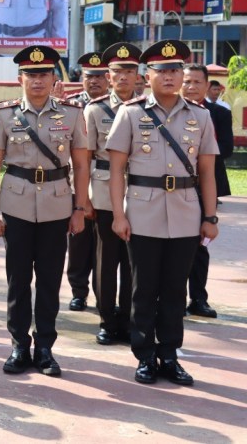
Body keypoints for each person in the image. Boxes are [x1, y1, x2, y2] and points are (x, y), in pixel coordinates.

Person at [106, 39, 218, 387]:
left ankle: (169, 355)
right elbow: (116, 170)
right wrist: (118, 214)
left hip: (185, 213)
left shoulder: (200, 116)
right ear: (148, 75)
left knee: (174, 290)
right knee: (143, 289)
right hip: (142, 212)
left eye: (175, 70)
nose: (169, 77)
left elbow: (207, 172)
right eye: (161, 70)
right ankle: (144, 356)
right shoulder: (131, 113)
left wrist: (210, 217)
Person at [0, 45, 89, 376]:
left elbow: (81, 166)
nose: (37, 80)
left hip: (57, 206)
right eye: (31, 75)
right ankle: (18, 345)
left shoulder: (72, 114)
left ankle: (44, 347)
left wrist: (80, 208)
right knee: (18, 280)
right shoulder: (3, 114)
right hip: (16, 205)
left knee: (49, 280)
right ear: (20, 79)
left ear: (54, 78)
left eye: (43, 74)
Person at [84, 42, 141, 345]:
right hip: (104, 191)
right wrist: (83, 198)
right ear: (108, 76)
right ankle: (107, 319)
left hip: (141, 191)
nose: (123, 76)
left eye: (129, 70)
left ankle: (130, 319)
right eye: (118, 71)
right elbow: (83, 158)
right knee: (106, 261)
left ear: (138, 75)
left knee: (134, 261)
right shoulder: (95, 109)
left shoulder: (148, 108)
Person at [182, 64, 232, 319]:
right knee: (172, 245)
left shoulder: (218, 113)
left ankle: (198, 298)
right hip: (174, 187)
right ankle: (172, 298)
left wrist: (201, 154)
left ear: (207, 85)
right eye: (187, 81)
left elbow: (227, 147)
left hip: (204, 186)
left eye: (197, 82)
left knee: (200, 245)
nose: (191, 87)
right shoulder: (167, 113)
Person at [65, 51, 108, 312]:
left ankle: (105, 294)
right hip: (77, 180)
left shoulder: (120, 107)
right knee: (79, 242)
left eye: (100, 76)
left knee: (106, 245)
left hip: (106, 184)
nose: (94, 81)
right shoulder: (70, 106)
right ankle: (78, 291)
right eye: (89, 76)